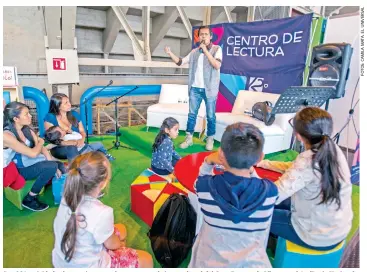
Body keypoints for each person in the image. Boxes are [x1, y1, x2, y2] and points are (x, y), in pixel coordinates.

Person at [257, 107, 353, 250]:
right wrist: (263, 163)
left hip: (316, 236)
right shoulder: (332, 148)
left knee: (255, 213)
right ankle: (275, 238)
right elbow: (296, 167)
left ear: (298, 135)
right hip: (337, 227)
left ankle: (265, 246)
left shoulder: (307, 161)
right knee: (280, 204)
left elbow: (273, 195)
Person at [188, 122, 278, 268]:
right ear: (260, 157)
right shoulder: (270, 192)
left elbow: (199, 182)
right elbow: (257, 183)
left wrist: (208, 162)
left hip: (210, 262)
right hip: (252, 264)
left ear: (221, 154)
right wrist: (249, 168)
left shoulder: (205, 187)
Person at [52, 151, 153, 268]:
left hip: (61, 262)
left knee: (122, 229)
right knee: (147, 259)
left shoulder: (67, 196)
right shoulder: (102, 212)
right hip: (91, 266)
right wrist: (120, 245)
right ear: (103, 183)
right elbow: (112, 244)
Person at [164, 25, 222, 151]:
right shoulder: (194, 52)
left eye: (206, 34)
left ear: (211, 37)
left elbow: (216, 65)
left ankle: (210, 138)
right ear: (198, 36)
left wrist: (205, 50)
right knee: (192, 115)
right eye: (201, 34)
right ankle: (189, 138)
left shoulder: (217, 49)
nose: (203, 36)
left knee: (211, 115)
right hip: (195, 88)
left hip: (210, 89)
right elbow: (180, 62)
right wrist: (170, 53)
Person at [3, 101, 66, 212]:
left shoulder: (26, 128)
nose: (30, 116)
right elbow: (33, 152)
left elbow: (40, 147)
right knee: (51, 166)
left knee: (59, 165)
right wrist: (41, 142)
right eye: (26, 114)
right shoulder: (6, 135)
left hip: (26, 162)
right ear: (16, 119)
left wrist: (52, 160)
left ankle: (67, 191)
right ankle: (29, 199)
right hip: (13, 169)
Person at [44, 93, 115, 161]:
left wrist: (81, 140)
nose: (69, 104)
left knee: (94, 148)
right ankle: (74, 168)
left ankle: (100, 156)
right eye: (66, 103)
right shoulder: (50, 117)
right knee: (72, 148)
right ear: (58, 105)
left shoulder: (74, 114)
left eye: (69, 101)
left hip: (78, 144)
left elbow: (82, 131)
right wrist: (71, 143)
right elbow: (52, 138)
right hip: (60, 148)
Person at [45, 125, 115, 160]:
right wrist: (72, 131)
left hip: (80, 152)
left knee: (95, 149)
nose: (63, 129)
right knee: (100, 144)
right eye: (61, 130)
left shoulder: (57, 142)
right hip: (85, 149)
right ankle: (106, 155)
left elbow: (49, 146)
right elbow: (80, 136)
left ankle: (100, 154)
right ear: (60, 135)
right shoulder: (68, 137)